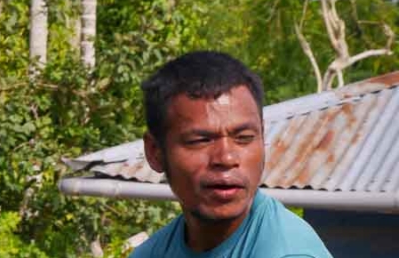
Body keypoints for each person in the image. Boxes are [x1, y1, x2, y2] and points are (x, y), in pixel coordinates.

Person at [132, 51, 332, 258]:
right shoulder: (153, 252)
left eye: (244, 137)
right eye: (200, 141)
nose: (226, 158)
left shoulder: (289, 253)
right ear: (155, 153)